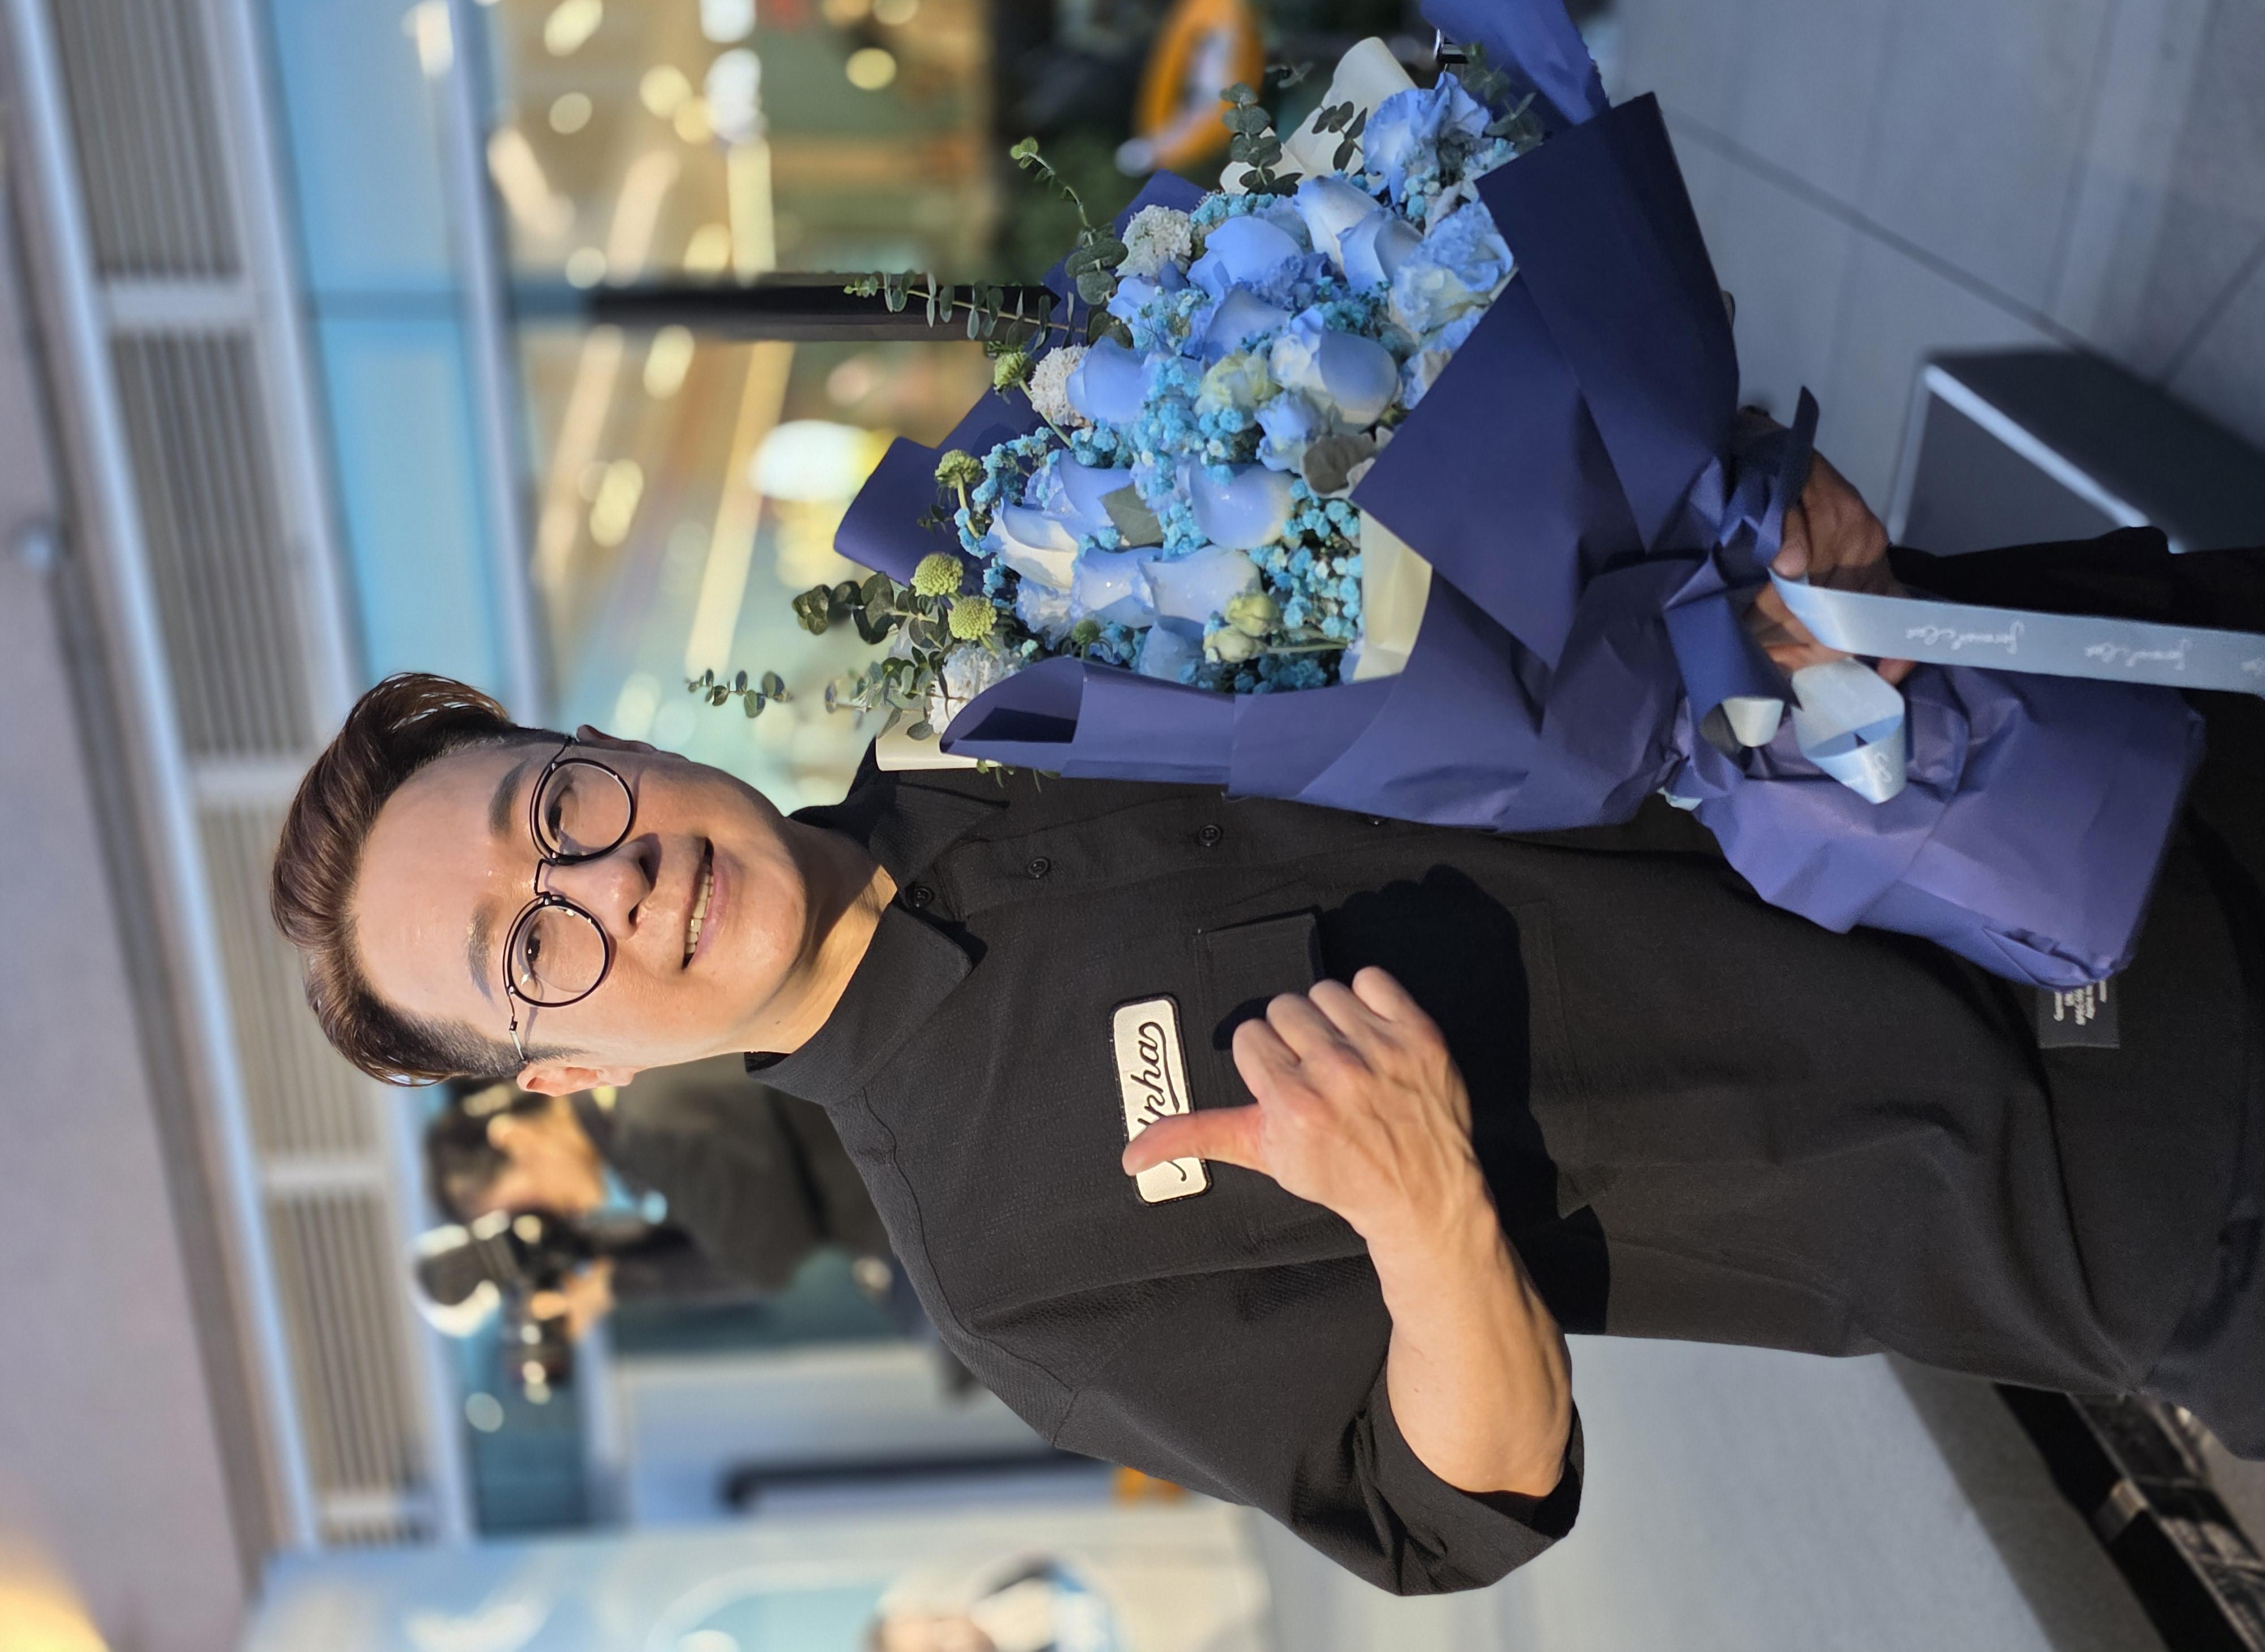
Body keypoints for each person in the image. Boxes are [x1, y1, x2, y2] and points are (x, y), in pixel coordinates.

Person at [270, 448, 2265, 1595]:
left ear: (604, 744)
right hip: (2119, 1157)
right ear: (575, 1073)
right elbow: (1449, 1509)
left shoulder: (1025, 658)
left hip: (2104, 740)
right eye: (533, 949)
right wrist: (1423, 1218)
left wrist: (1729, 530)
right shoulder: (1006, 1267)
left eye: (554, 809)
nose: (608, 885)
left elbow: (1513, 571)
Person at [423, 1056, 898, 1333]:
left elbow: (766, 1258)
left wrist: (613, 1287)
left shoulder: (650, 1118)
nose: (543, 1221)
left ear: (514, 1138)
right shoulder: (630, 1106)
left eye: (521, 1210)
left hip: (908, 1142)